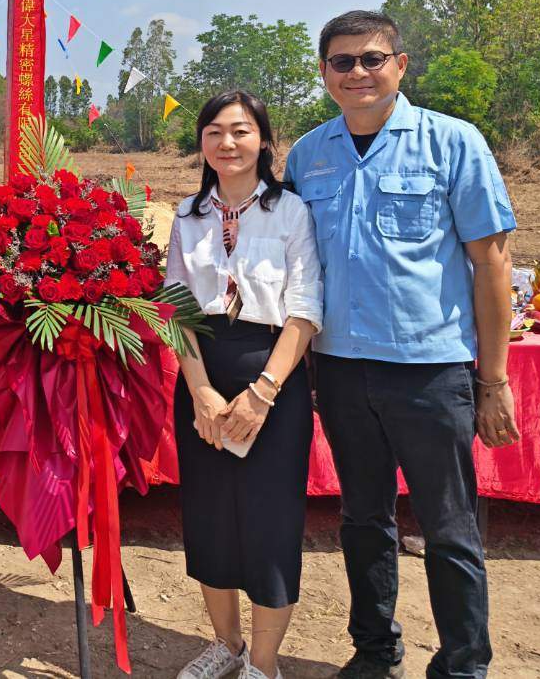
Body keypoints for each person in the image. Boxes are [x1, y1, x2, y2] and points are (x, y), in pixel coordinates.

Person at [283, 10, 518, 679]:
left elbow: (491, 261)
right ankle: (374, 651)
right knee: (361, 519)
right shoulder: (308, 155)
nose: (357, 72)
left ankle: (462, 665)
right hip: (339, 368)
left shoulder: (453, 144)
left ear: (400, 65)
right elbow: (292, 264)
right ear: (323, 72)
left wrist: (492, 379)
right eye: (341, 61)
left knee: (448, 530)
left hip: (428, 370)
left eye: (371, 58)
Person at [168, 91, 324, 679]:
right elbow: (176, 308)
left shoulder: (292, 213)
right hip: (203, 372)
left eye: (240, 131)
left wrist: (263, 392)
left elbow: (305, 308)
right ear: (201, 144)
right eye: (213, 132)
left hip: (272, 376)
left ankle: (263, 662)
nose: (226, 144)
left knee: (268, 520)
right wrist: (202, 391)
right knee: (209, 515)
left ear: (263, 139)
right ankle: (226, 645)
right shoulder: (187, 215)